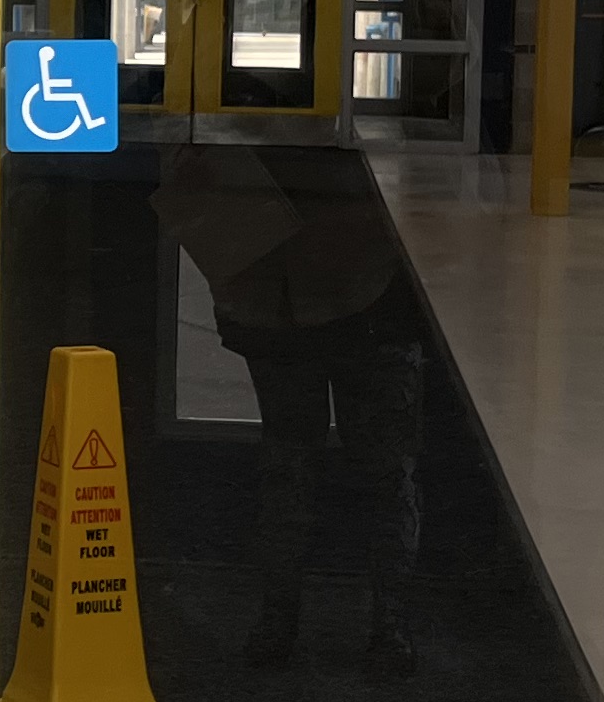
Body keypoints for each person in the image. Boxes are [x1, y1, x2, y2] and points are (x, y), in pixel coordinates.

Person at [152, 140, 427, 669]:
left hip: (279, 309)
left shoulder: (224, 127)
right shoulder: (356, 147)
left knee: (289, 466)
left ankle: (279, 624)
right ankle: (388, 627)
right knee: (388, 471)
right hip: (364, 299)